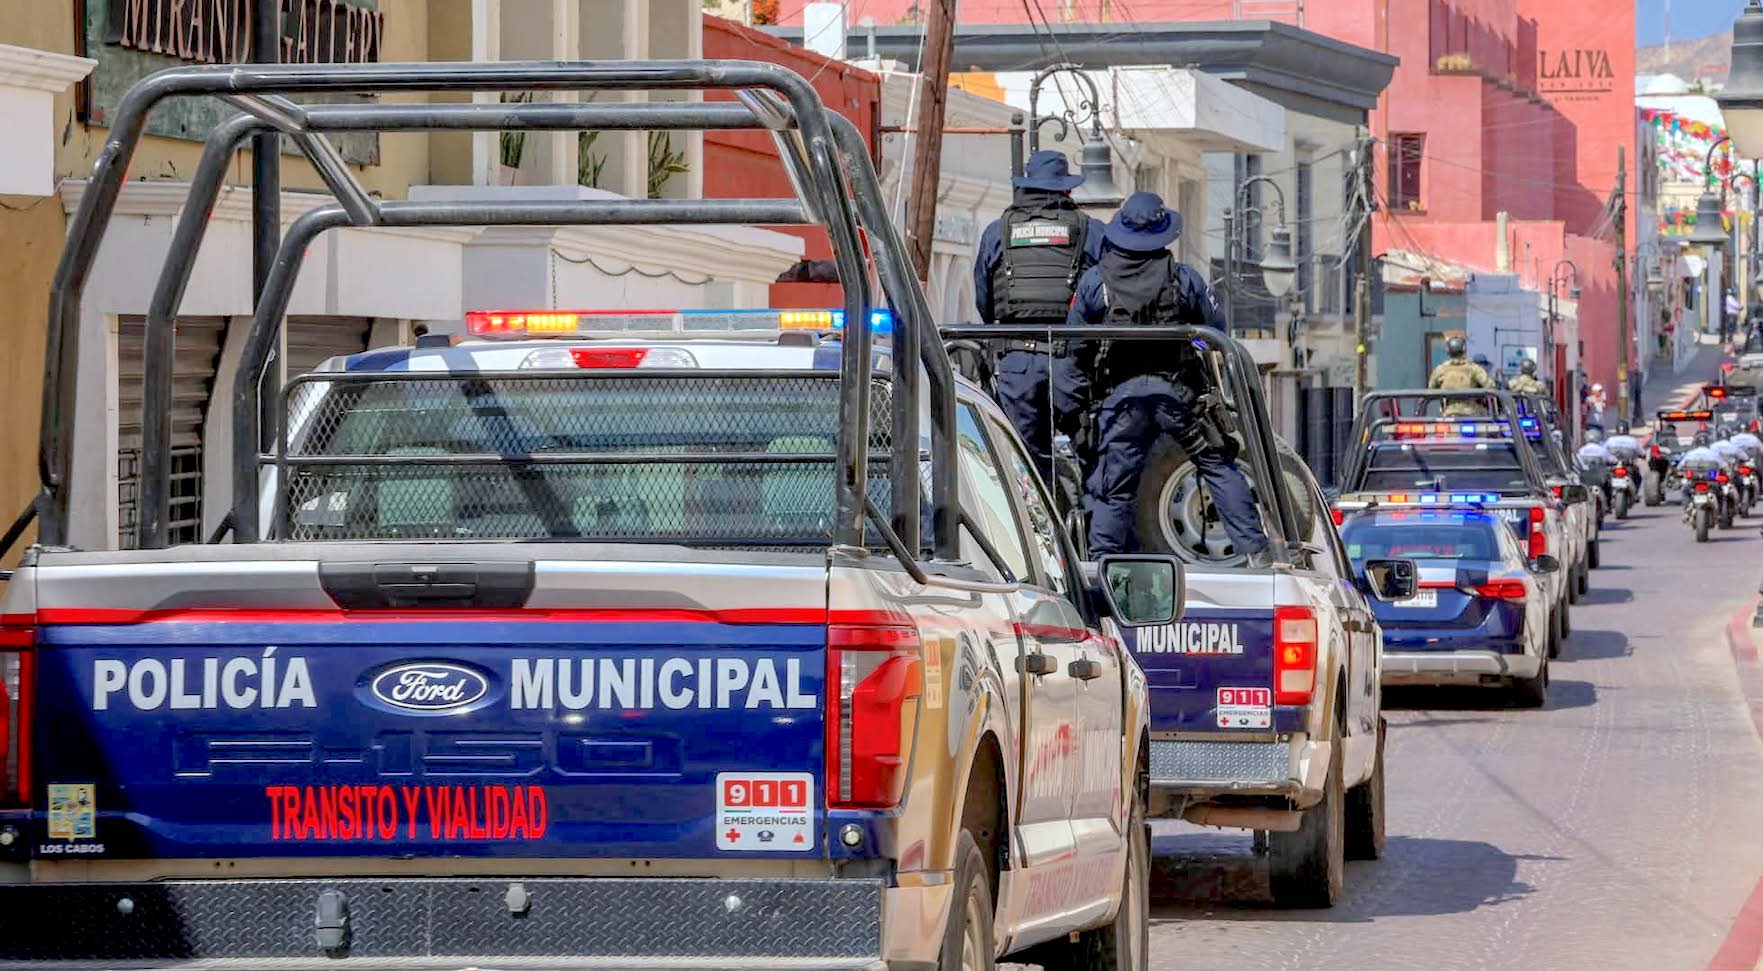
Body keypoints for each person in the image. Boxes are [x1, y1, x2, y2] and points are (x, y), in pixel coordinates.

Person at [1058, 191, 1270, 561]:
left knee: (1113, 489)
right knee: (1217, 465)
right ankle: (1258, 551)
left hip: (1121, 402)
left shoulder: (1095, 283)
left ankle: (1101, 565)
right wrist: (1193, 347)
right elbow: (1214, 333)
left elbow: (1074, 348)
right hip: (1178, 398)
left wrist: (1073, 409)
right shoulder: (1184, 279)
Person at [972, 149, 1107, 482]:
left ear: (1026, 186)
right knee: (1096, 457)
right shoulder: (1091, 231)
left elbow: (984, 301)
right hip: (1073, 359)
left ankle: (1039, 514)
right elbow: (1107, 294)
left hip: (1017, 361)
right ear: (1067, 189)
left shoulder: (998, 231)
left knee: (1025, 465)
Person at [1427, 336, 1493, 416]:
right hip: (1472, 414)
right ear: (1464, 350)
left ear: (1448, 351)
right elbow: (1490, 386)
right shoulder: (1473, 368)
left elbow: (1431, 389)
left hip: (1449, 414)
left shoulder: (1440, 369)